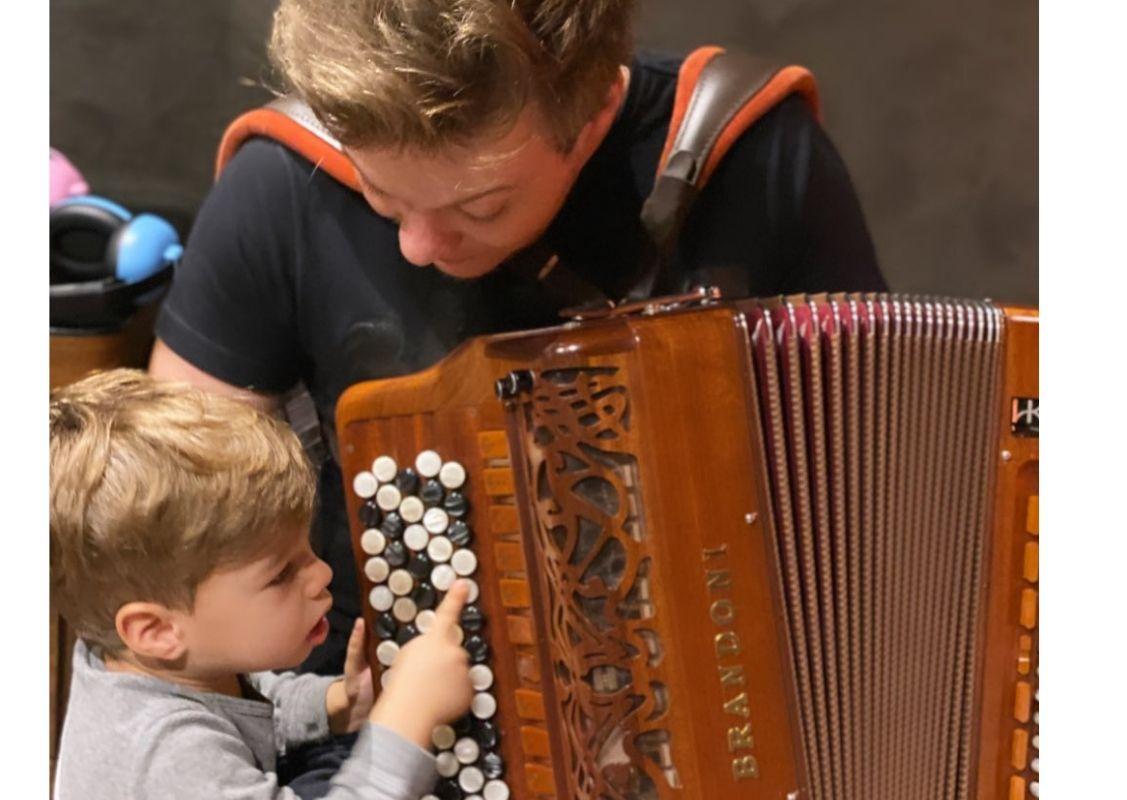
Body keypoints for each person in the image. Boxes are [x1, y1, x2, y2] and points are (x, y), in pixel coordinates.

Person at [150, 0, 887, 680]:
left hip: (735, 679)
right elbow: (177, 530)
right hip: (377, 706)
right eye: (383, 196)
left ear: (593, 115)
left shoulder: (755, 158)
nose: (417, 245)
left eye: (481, 206)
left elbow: (878, 479)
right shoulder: (283, 179)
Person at [50, 369, 475, 799]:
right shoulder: (166, 756)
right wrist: (407, 720)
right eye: (281, 574)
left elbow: (254, 702)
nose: (322, 575)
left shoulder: (173, 658)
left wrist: (339, 702)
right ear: (156, 631)